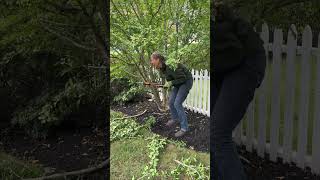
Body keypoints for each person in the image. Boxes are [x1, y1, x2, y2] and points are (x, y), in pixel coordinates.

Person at [211, 1, 266, 180]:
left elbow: (234, 54)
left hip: (245, 63)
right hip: (227, 66)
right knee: (210, 128)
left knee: (218, 132)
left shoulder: (220, 27)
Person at [150, 52, 193, 137]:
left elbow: (183, 78)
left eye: (152, 60)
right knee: (171, 102)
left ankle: (185, 128)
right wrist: (168, 84)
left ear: (158, 60)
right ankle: (175, 118)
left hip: (186, 82)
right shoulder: (162, 68)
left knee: (177, 103)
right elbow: (170, 78)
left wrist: (171, 83)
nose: (151, 62)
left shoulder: (170, 65)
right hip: (177, 83)